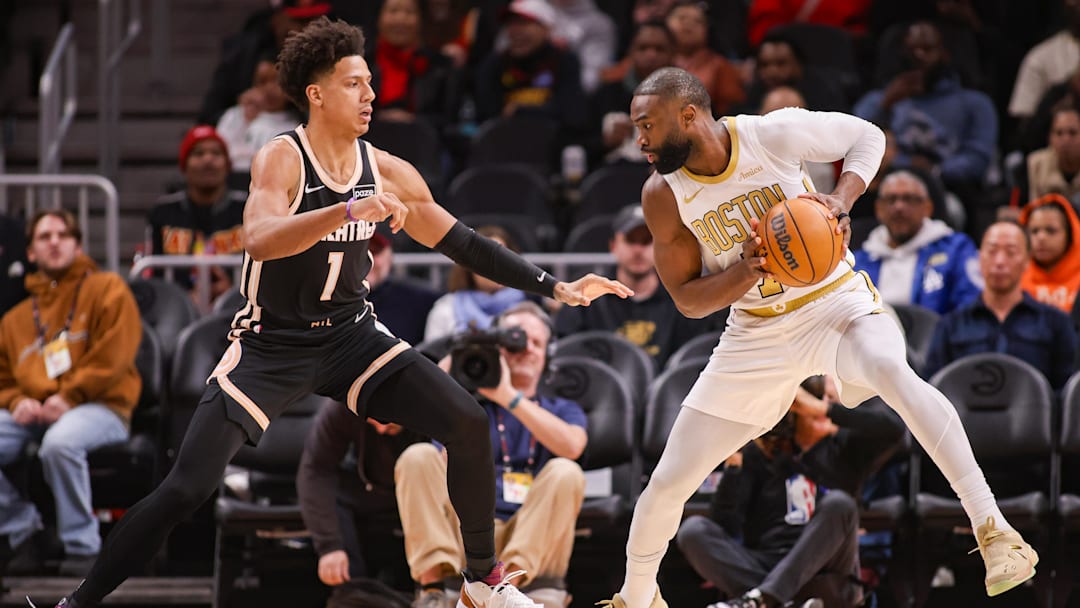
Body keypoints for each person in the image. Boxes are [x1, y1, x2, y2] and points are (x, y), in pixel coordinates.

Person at [36, 18, 630, 608]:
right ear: (316, 94)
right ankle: (78, 602)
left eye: (371, 82)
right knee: (185, 489)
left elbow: (464, 244)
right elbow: (260, 238)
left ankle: (480, 581)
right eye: (354, 84)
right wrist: (345, 211)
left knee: (465, 419)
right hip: (272, 344)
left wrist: (555, 286)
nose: (370, 94)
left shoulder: (389, 170)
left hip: (350, 339)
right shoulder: (282, 158)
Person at [597, 67, 1037, 608]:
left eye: (646, 125)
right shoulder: (662, 194)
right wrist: (746, 271)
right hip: (755, 330)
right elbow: (688, 300)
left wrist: (841, 199)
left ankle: (995, 530)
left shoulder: (770, 135)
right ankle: (635, 598)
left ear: (688, 115)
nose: (637, 138)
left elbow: (867, 136)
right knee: (667, 481)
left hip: (834, 300)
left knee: (892, 371)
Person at [398, 302, 587, 608]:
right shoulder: (467, 407)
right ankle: (432, 589)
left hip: (530, 541)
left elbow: (573, 446)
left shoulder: (562, 409)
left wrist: (508, 396)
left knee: (566, 471)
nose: (526, 349)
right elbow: (419, 423)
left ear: (548, 356)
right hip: (468, 535)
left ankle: (504, 591)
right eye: (515, 340)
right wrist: (461, 355)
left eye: (536, 343)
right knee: (418, 456)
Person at [676, 376, 905, 608]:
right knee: (693, 530)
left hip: (825, 572)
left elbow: (895, 430)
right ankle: (775, 600)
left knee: (839, 504)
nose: (822, 405)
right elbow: (726, 526)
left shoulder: (844, 450)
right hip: (766, 567)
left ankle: (766, 599)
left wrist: (826, 410)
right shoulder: (761, 454)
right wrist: (734, 465)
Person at [0, 210, 141, 577]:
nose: (55, 241)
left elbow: (114, 358)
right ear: (30, 252)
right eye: (44, 236)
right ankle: (23, 530)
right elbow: (2, 378)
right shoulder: (14, 320)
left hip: (101, 406)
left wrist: (70, 397)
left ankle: (83, 549)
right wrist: (17, 401)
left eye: (63, 235)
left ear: (77, 246)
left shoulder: (108, 289)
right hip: (36, 412)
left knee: (60, 444)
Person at [555, 205, 717, 368]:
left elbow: (694, 358)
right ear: (613, 246)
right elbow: (566, 349)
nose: (638, 250)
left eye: (647, 241)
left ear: (659, 246)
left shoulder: (681, 295)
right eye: (631, 240)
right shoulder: (589, 295)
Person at [924, 221, 1077, 391]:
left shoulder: (1055, 323)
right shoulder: (950, 325)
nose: (999, 261)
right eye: (992, 251)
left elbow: (1067, 393)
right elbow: (932, 391)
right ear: (979, 258)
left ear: (1027, 260)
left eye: (1011, 252)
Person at [297, 400, 424, 604]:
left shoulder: (431, 399)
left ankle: (436, 587)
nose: (382, 429)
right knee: (334, 494)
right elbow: (316, 469)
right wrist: (329, 546)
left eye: (388, 422)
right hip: (372, 491)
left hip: (424, 494)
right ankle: (352, 594)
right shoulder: (343, 405)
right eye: (375, 421)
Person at [853, 170, 982, 315]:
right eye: (891, 199)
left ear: (927, 208)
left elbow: (970, 308)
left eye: (909, 199)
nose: (899, 207)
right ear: (878, 209)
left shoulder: (956, 250)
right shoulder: (858, 262)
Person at [147, 125, 247, 308]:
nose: (208, 160)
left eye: (216, 154)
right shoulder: (163, 212)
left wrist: (231, 292)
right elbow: (155, 276)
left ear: (228, 165)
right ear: (184, 165)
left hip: (239, 308)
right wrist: (184, 299)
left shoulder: (248, 208)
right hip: (176, 312)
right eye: (198, 154)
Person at [424, 225, 528, 342]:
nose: (496, 266)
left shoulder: (530, 309)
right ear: (468, 265)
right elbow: (431, 357)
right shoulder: (445, 309)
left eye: (503, 258)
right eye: (486, 259)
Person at [366, 232, 441, 345]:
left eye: (374, 251)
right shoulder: (333, 300)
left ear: (389, 255)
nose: (368, 261)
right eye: (359, 253)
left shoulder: (423, 300)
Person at [1019, 193, 1080, 314]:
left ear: (1070, 235)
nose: (1041, 238)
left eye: (1051, 231)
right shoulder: (1015, 277)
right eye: (1034, 231)